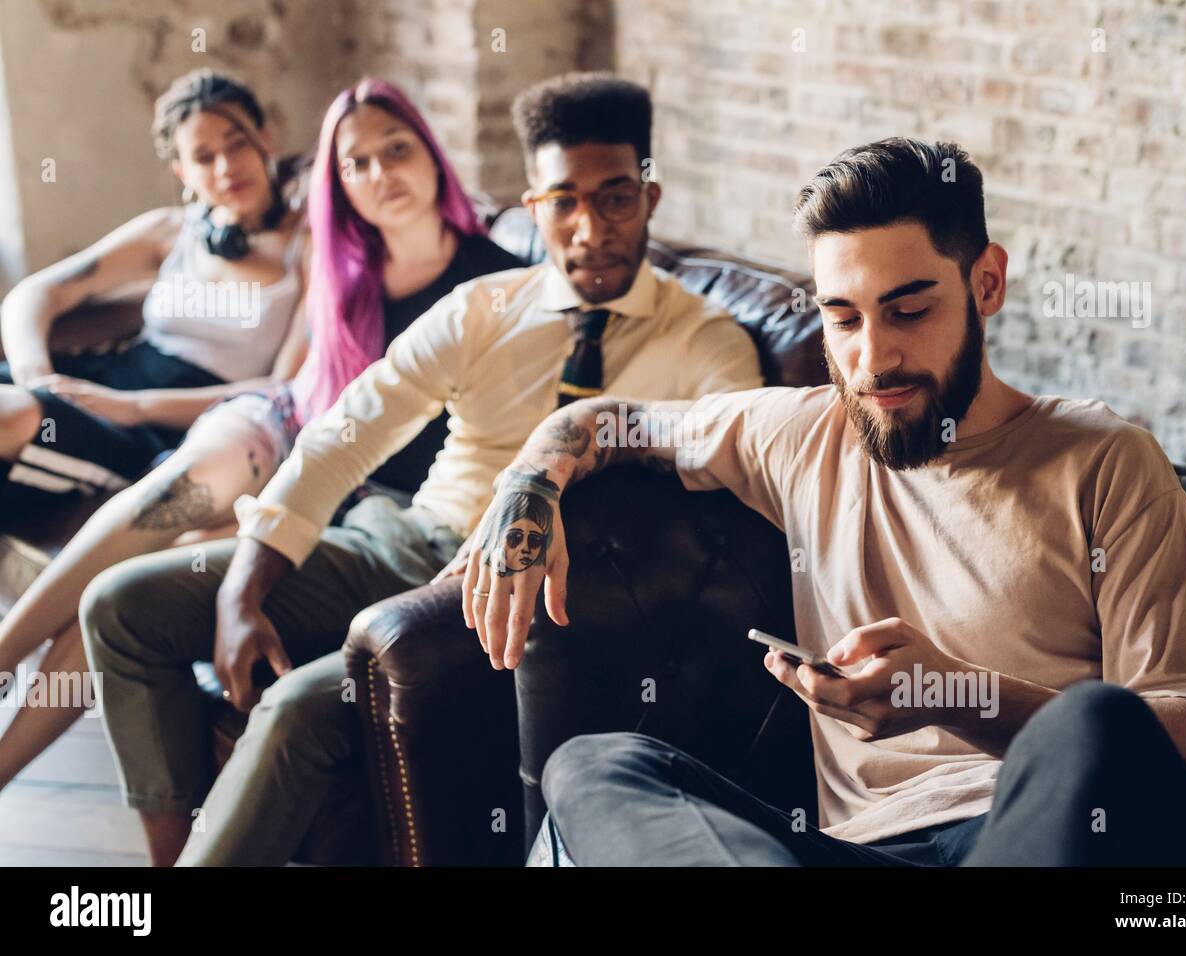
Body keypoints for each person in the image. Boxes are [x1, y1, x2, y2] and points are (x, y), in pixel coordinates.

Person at [463, 139, 1186, 867]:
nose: (873, 358)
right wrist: (527, 482)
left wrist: (955, 693)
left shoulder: (1103, 459)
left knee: (1092, 726)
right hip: (868, 853)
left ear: (986, 283)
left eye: (909, 310)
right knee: (597, 767)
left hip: (1042, 835)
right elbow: (610, 419)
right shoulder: (804, 432)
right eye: (842, 318)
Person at [81, 72, 764, 866]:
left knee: (304, 704)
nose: (587, 230)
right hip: (401, 541)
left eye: (614, 198)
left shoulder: (707, 341)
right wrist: (247, 582)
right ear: (534, 206)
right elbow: (350, 430)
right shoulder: (484, 307)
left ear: (649, 198)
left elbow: (731, 464)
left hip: (508, 601)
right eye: (562, 203)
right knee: (119, 606)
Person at [0, 77, 519, 793]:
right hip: (273, 434)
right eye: (356, 164)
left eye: (396, 150)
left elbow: (297, 387)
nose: (380, 174)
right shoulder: (343, 265)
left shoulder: (434, 273)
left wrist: (134, 408)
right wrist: (42, 375)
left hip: (316, 469)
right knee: (180, 487)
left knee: (133, 589)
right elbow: (301, 394)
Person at [0, 69, 308, 506]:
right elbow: (34, 295)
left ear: (265, 138)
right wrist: (37, 376)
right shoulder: (170, 230)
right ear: (182, 172)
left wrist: (136, 408)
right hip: (93, 385)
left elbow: (285, 390)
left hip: (165, 426)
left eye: (238, 144)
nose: (226, 168)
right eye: (204, 157)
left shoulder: (308, 252)